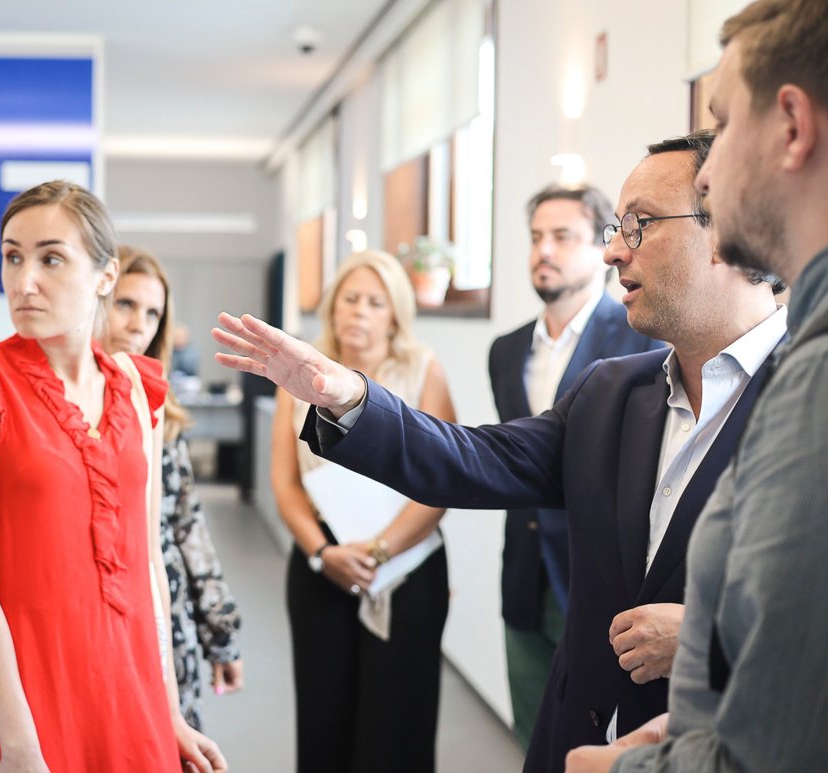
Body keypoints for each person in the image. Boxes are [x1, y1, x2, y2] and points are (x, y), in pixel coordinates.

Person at [212, 131, 787, 773]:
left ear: (728, 226)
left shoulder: (807, 401)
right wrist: (350, 396)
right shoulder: (611, 391)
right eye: (616, 229)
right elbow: (475, 459)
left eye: (640, 224)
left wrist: (712, 637)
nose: (613, 252)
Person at [567, 1, 828, 770]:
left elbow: (774, 747)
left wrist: (629, 768)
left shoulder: (810, 379)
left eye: (723, 124)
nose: (707, 174)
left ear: (791, 126)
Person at [0, 180, 225, 772]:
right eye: (13, 257)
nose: (24, 281)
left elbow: (147, 565)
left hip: (129, 688)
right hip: (21, 696)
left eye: (51, 259)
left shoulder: (136, 386)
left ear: (105, 276)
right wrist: (18, 745)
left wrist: (168, 709)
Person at [490, 184, 664, 749]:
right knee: (532, 738)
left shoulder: (640, 342)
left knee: (593, 745)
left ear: (601, 246)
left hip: (600, 585)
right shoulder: (506, 350)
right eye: (536, 237)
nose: (544, 250)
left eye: (563, 236)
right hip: (524, 576)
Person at [272, 249, 457, 773]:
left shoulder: (424, 371)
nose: (359, 311)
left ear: (395, 315)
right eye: (350, 298)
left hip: (405, 567)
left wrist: (379, 551)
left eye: (376, 302)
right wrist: (322, 552)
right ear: (332, 306)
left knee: (396, 728)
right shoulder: (300, 375)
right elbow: (285, 484)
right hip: (322, 563)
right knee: (323, 719)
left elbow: (442, 482)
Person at [102, 244, 244, 731]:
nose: (137, 324)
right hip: (98, 617)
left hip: (166, 616)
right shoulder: (63, 404)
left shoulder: (159, 407)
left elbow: (188, 527)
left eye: (152, 313)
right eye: (125, 304)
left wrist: (221, 633)